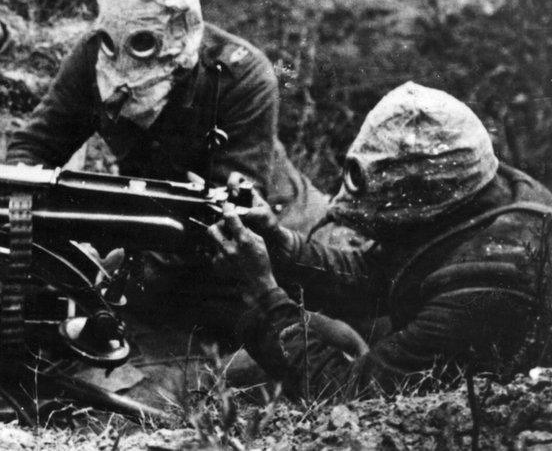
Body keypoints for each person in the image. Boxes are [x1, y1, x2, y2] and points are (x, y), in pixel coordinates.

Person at [5, 0, 332, 342]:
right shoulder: (95, 57)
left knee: (300, 336)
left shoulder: (242, 76)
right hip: (158, 226)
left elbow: (229, 220)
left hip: (274, 232)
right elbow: (35, 145)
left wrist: (113, 267)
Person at [208, 82, 552, 399]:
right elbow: (376, 274)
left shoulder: (491, 283)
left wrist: (265, 297)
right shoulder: (476, 191)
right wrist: (281, 246)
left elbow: (348, 394)